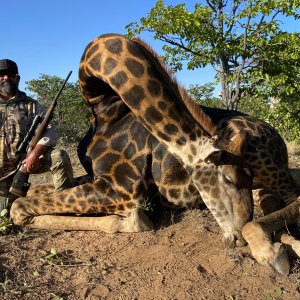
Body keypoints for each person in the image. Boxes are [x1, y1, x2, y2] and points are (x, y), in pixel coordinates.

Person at [0, 59, 74, 211]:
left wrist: (34, 153)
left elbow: (50, 132)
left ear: (17, 78)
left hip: (25, 163)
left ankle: (65, 206)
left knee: (58, 156)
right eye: (2, 74)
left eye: (10, 74)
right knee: (6, 213)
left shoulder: (32, 105)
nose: (6, 78)